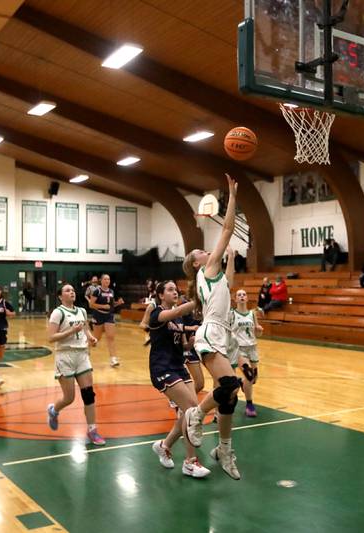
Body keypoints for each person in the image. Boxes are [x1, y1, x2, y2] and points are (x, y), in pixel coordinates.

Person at [182, 174, 242, 480]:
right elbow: (229, 228)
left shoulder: (211, 275)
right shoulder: (206, 268)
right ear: (196, 263)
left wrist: (231, 260)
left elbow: (229, 286)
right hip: (211, 333)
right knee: (231, 386)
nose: (206, 251)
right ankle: (197, 414)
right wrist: (231, 195)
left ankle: (224, 450)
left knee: (228, 396)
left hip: (222, 334)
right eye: (200, 253)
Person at [147, 281, 211, 478]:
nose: (175, 292)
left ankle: (164, 445)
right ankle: (190, 462)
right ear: (160, 295)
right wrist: (198, 300)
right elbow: (173, 314)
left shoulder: (179, 318)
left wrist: (189, 343)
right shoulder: (157, 313)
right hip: (162, 368)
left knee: (188, 412)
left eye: (176, 289)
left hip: (178, 367)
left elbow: (182, 346)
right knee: (192, 409)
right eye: (170, 290)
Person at [46, 284, 105, 446]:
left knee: (88, 394)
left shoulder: (82, 311)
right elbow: (51, 337)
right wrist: (71, 332)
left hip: (82, 356)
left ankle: (92, 430)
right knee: (69, 397)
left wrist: (91, 338)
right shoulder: (58, 313)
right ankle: (54, 410)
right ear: (60, 296)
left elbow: (85, 329)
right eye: (67, 290)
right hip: (65, 356)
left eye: (72, 290)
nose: (71, 292)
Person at [229, 289, 263, 417]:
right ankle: (249, 404)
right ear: (235, 299)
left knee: (253, 379)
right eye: (239, 295)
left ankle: (241, 383)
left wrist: (259, 330)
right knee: (249, 375)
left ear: (247, 298)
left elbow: (257, 332)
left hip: (252, 348)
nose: (242, 296)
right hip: (239, 349)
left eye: (244, 294)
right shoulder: (232, 314)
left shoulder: (252, 314)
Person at [89, 273, 124, 367]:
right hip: (98, 315)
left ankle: (113, 359)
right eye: (105, 279)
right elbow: (91, 304)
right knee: (96, 338)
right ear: (101, 280)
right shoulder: (97, 291)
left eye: (108, 279)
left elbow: (111, 305)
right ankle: (85, 352)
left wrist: (118, 303)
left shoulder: (111, 291)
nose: (107, 281)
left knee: (110, 337)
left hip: (109, 316)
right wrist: (103, 306)